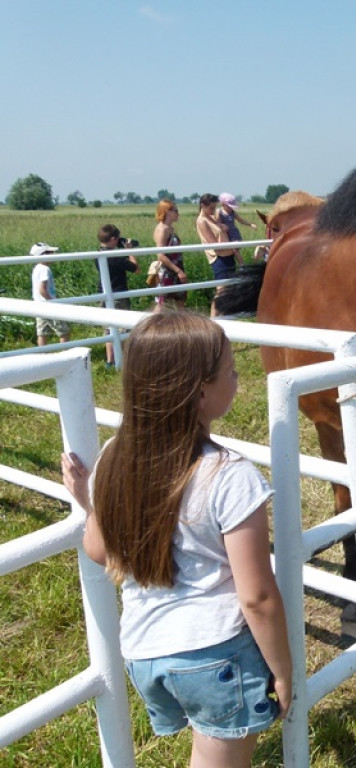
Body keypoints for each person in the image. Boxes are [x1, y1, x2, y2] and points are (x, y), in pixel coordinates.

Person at [61, 312, 292, 767]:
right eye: (230, 370)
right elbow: (258, 597)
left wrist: (91, 505)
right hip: (215, 651)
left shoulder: (114, 456)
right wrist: (283, 670)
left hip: (146, 653)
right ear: (201, 391)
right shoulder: (231, 477)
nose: (237, 376)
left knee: (207, 745)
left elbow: (100, 550)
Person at [96, 224, 139, 366]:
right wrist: (129, 251)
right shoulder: (115, 257)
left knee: (109, 330)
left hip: (104, 293)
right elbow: (136, 269)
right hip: (118, 294)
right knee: (122, 328)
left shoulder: (98, 254)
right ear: (114, 239)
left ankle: (110, 360)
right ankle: (122, 360)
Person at [197, 193, 232, 316]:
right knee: (221, 290)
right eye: (211, 208)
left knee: (227, 291)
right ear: (203, 206)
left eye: (214, 207)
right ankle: (214, 319)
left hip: (227, 255)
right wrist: (232, 248)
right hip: (218, 258)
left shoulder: (212, 218)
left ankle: (223, 318)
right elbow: (213, 244)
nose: (213, 210)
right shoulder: (202, 221)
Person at [30, 242, 71, 346]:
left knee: (42, 332)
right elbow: (42, 289)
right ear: (42, 255)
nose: (53, 255)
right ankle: (65, 354)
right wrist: (51, 301)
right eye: (50, 253)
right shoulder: (45, 269)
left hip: (38, 305)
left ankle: (42, 354)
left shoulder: (37, 268)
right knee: (63, 331)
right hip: (47, 304)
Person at [153, 199, 188, 311]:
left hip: (176, 268)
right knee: (162, 303)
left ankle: (179, 326)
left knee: (180, 300)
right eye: (176, 211)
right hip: (168, 271)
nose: (178, 214)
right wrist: (178, 271)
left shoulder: (170, 228)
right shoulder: (162, 229)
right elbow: (161, 255)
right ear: (167, 212)